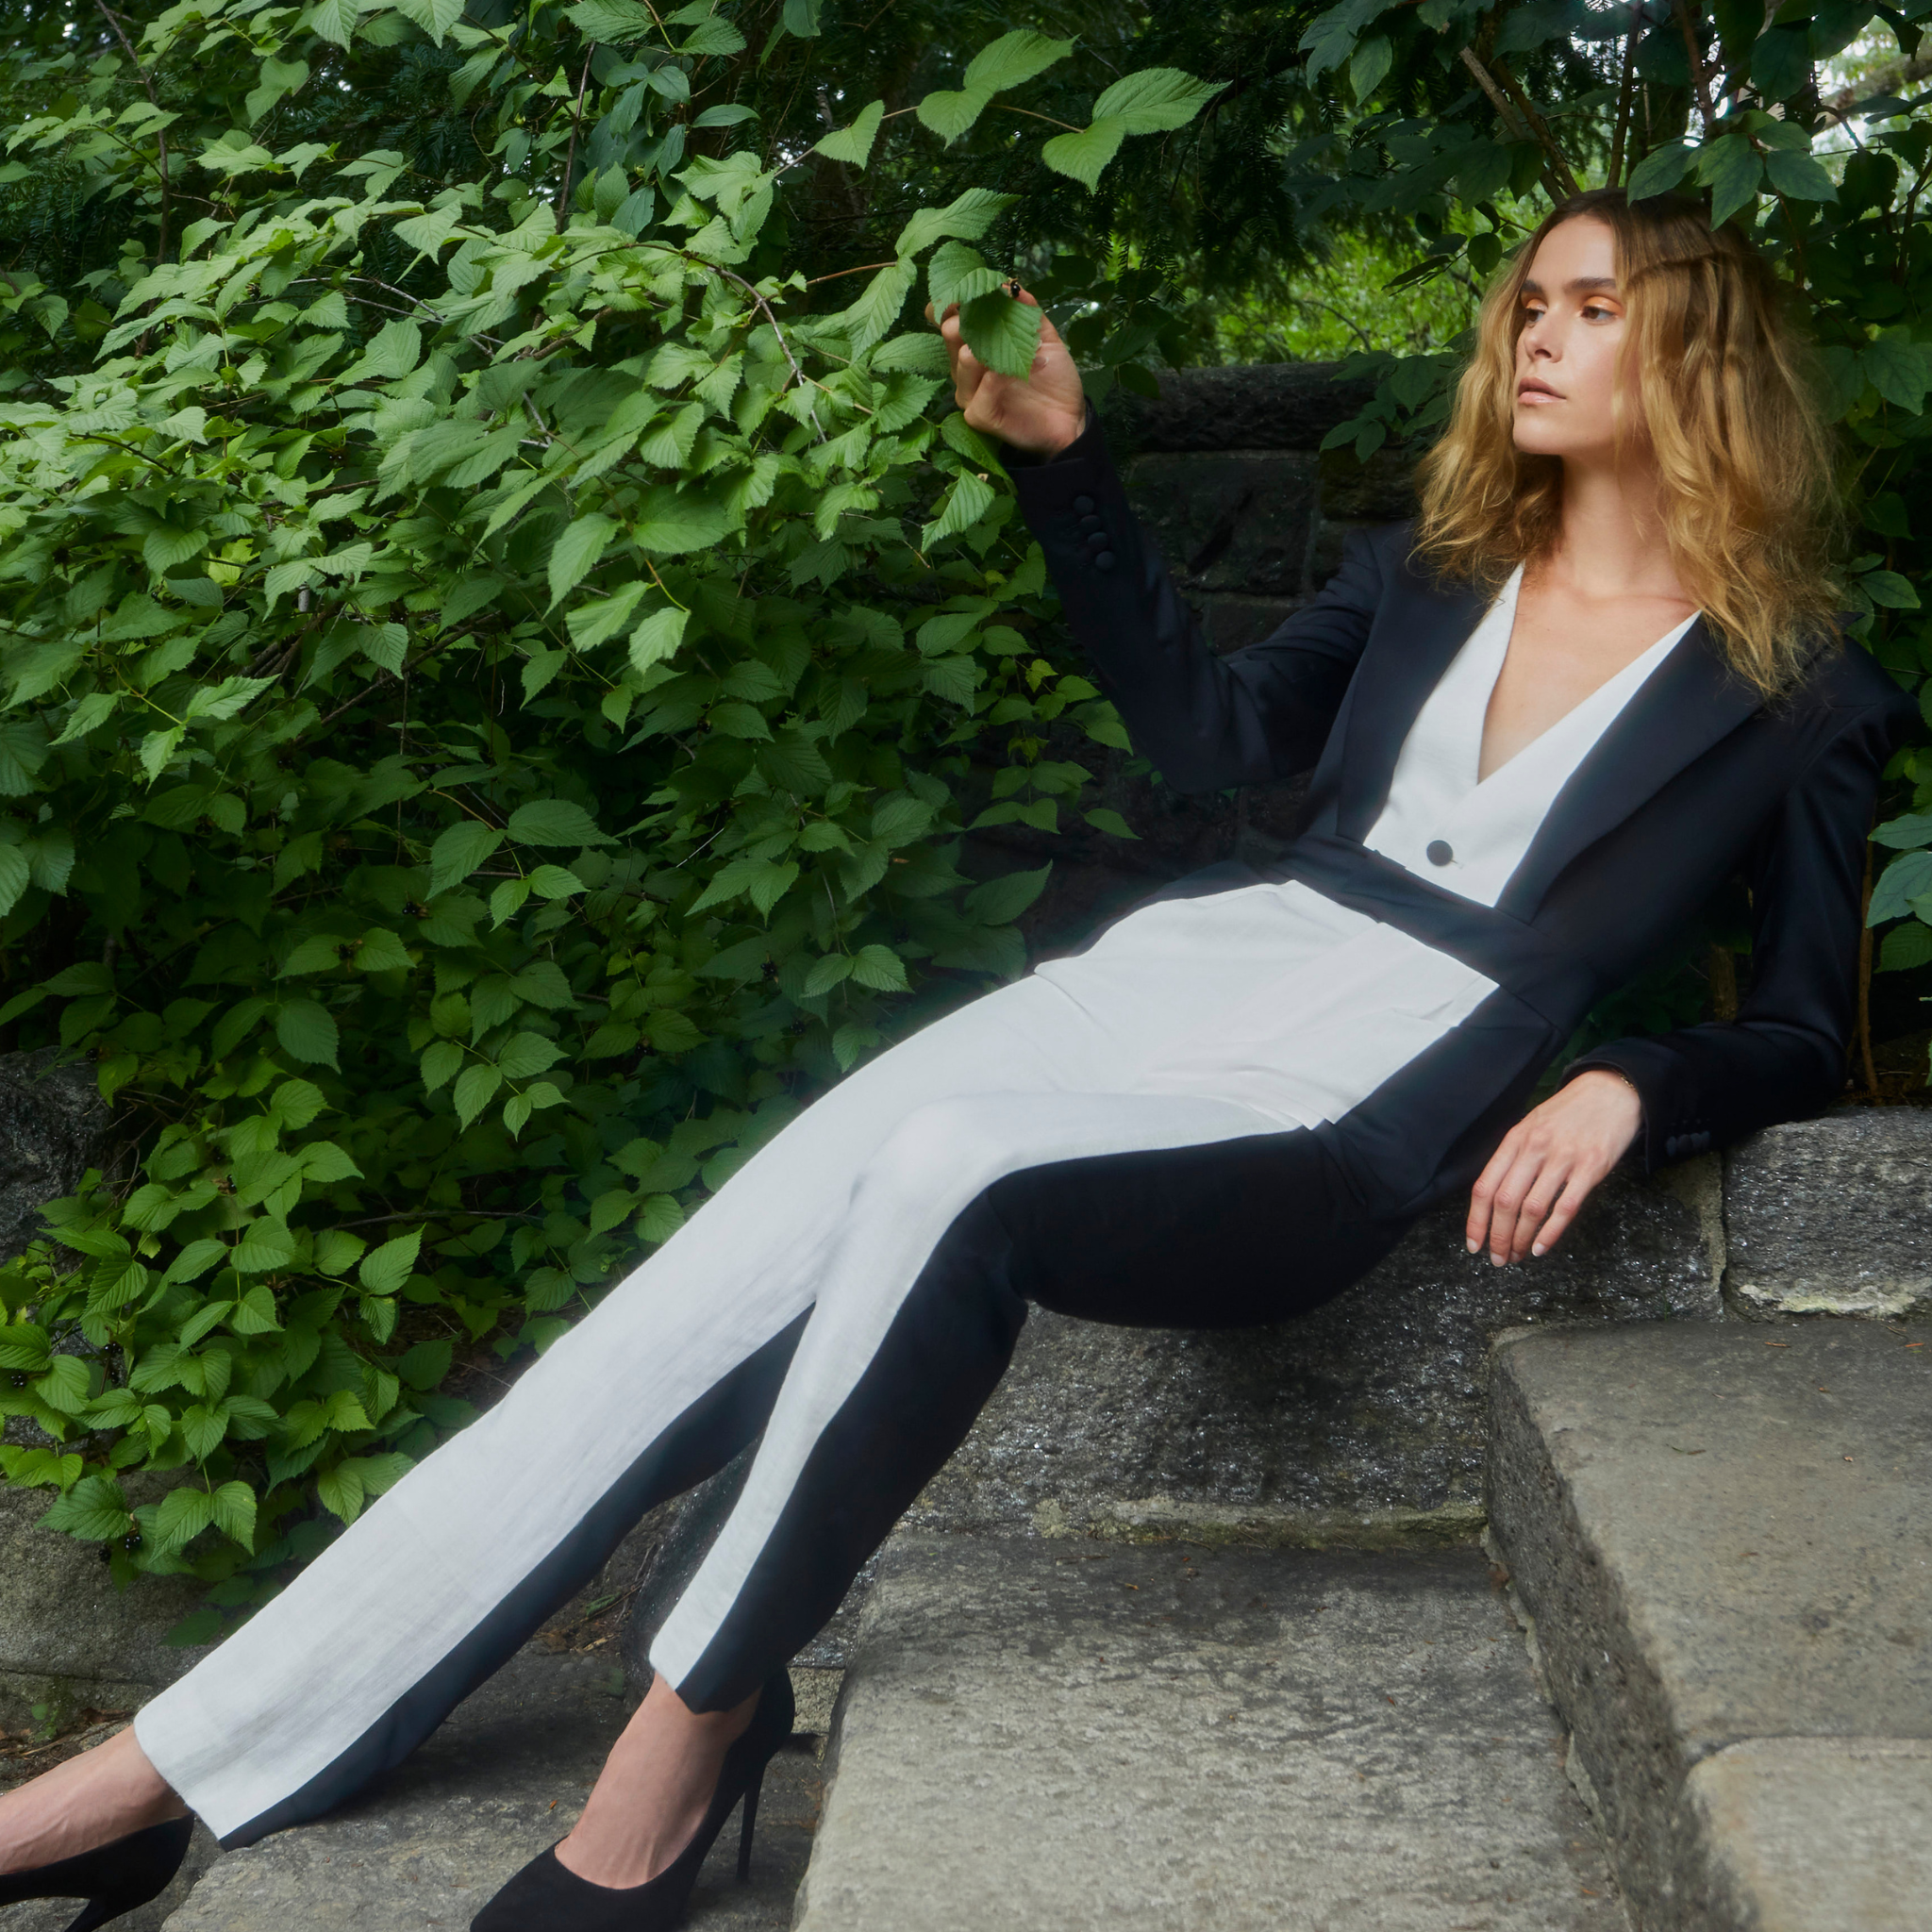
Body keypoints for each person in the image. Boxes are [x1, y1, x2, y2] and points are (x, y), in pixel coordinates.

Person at [0, 188, 1909, 1932]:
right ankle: (144, 1780)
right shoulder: (1423, 568)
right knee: (685, 1299)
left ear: (1703, 359)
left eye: (1593, 304)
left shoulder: (1801, 691)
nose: (1533, 334)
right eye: (1526, 302)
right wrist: (1068, 472)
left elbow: (1804, 1027)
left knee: (955, 1156)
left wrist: (1635, 1079)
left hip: (1360, 1092)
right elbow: (1211, 735)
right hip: (1190, 973)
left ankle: (681, 1738)